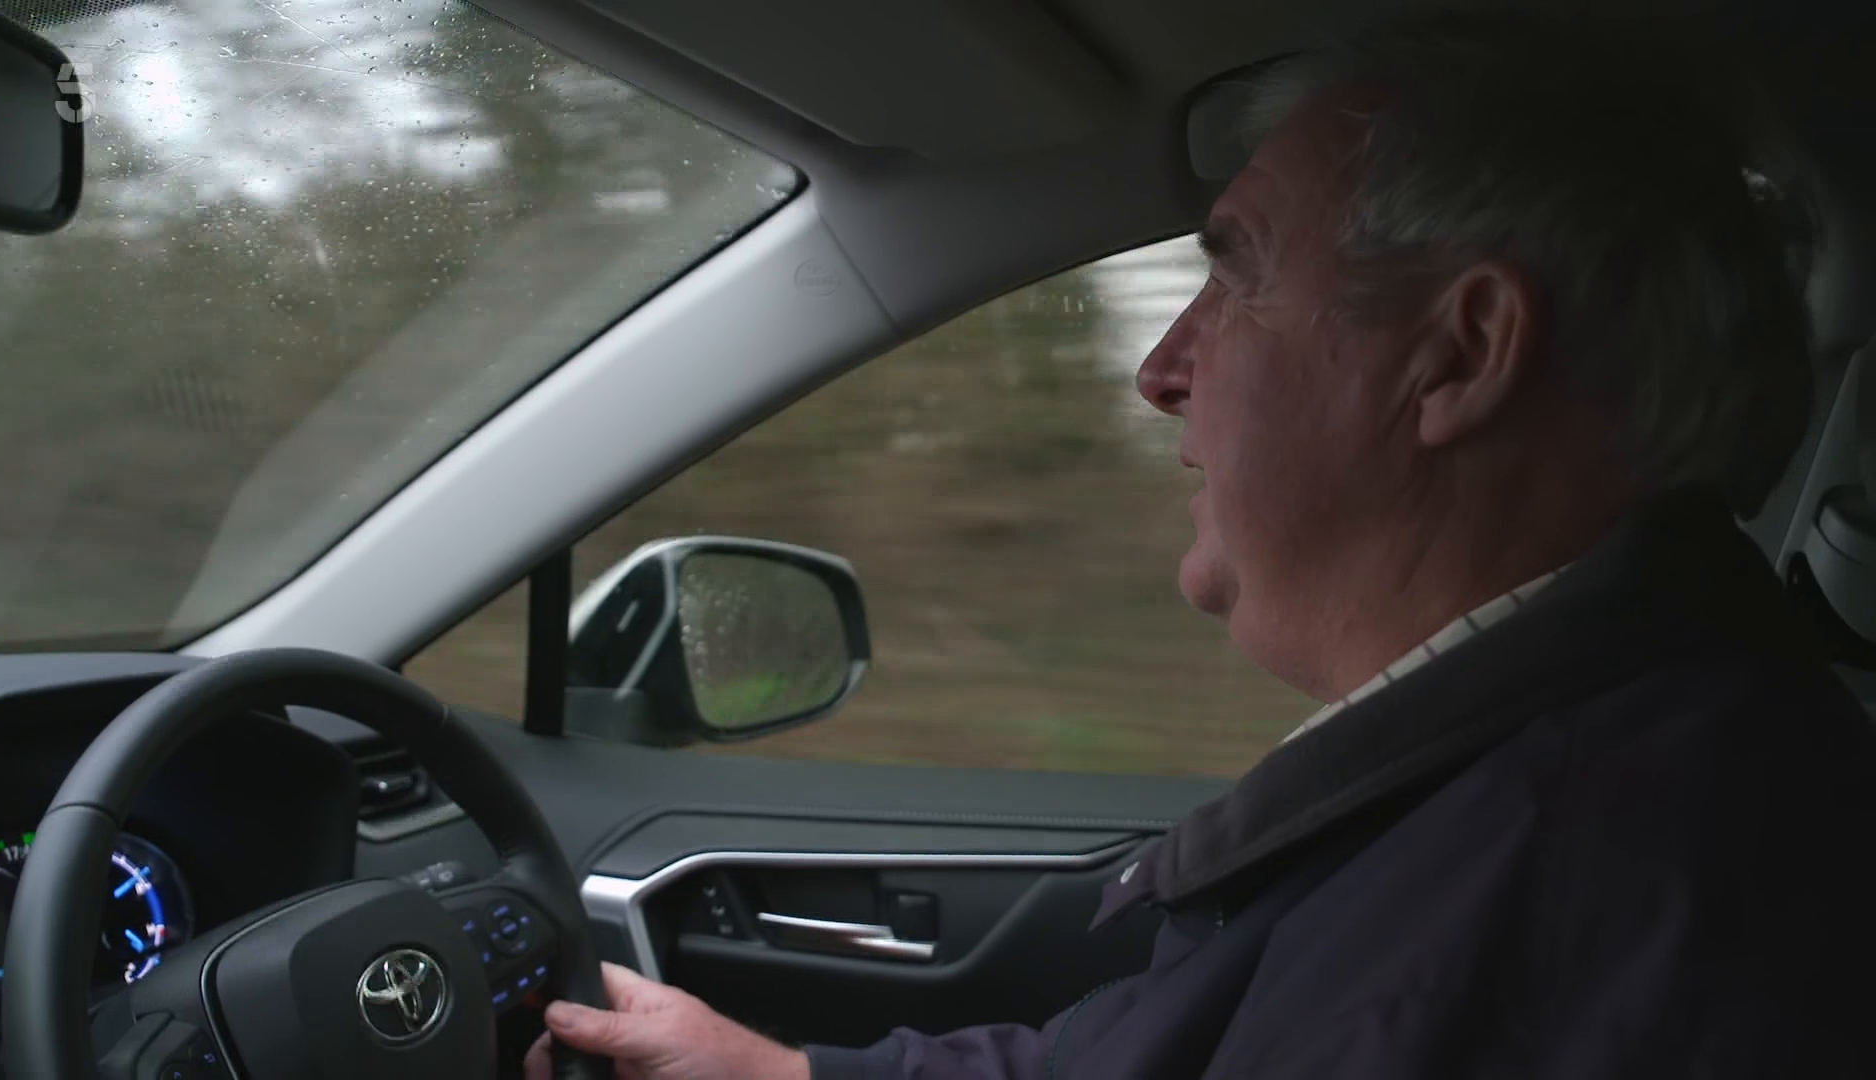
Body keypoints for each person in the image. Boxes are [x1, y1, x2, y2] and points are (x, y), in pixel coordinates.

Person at [530, 13, 1876, 1080]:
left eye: (1236, 276)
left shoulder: (1599, 899)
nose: (1163, 371)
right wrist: (785, 1075)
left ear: (1461, 354)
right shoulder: (1521, 798)